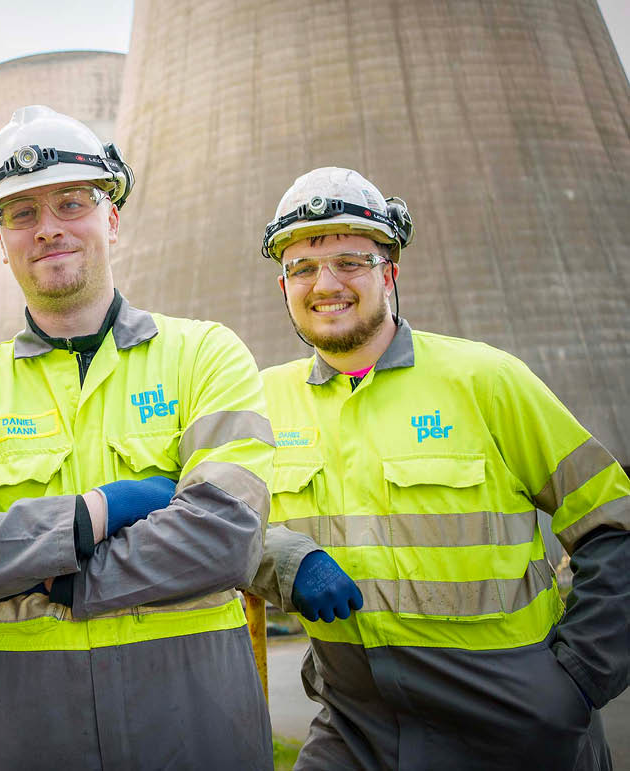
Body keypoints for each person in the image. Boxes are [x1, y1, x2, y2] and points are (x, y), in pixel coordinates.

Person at [0, 105, 276, 769]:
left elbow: (225, 536)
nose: (47, 229)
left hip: (196, 727)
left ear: (112, 219)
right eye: (21, 213)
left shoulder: (206, 355)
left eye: (71, 202)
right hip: (23, 738)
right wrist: (89, 516)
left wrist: (56, 580)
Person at [246, 166, 629, 770]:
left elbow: (615, 521)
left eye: (351, 261)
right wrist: (287, 559)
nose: (326, 283)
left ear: (390, 272)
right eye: (303, 267)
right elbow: (210, 518)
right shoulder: (260, 404)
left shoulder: (485, 380)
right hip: (356, 721)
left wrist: (576, 680)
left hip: (515, 726)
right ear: (283, 283)